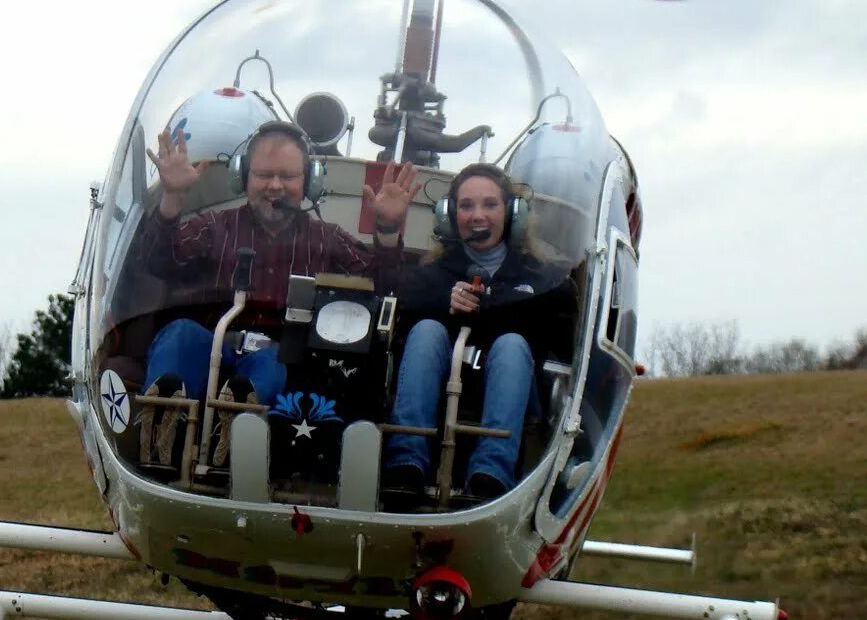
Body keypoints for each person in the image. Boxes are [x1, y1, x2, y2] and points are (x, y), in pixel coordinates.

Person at [137, 120, 420, 463]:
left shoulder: (326, 239)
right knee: (178, 335)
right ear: (243, 177)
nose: (275, 186)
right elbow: (156, 263)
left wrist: (388, 230)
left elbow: (386, 288)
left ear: (309, 182)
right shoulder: (213, 228)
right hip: (209, 341)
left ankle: (232, 435)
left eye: (287, 177)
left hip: (277, 355)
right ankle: (162, 430)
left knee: (273, 361)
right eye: (263, 175)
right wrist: (173, 197)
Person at [381, 163, 574, 505]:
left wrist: (488, 304)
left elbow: (557, 338)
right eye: (467, 206)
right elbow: (393, 302)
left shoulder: (545, 282)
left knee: (513, 345)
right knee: (426, 331)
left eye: (489, 204)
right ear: (450, 215)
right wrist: (446, 303)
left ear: (513, 213)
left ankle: (492, 473)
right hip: (440, 388)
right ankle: (405, 462)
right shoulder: (430, 278)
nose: (477, 216)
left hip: (515, 388)